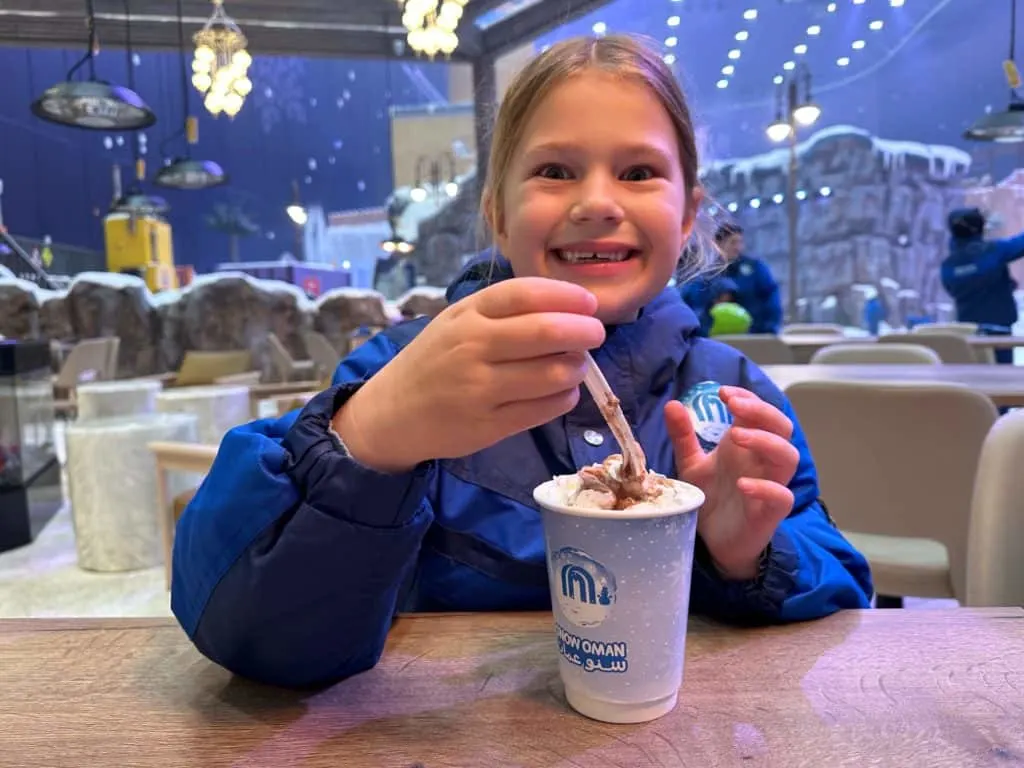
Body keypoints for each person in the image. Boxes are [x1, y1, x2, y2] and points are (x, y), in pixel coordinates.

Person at [171, 35, 872, 688]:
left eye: (638, 171)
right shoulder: (398, 370)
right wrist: (372, 438)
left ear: (688, 214)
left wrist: (743, 554)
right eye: (554, 171)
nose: (597, 202)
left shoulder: (731, 392)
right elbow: (248, 634)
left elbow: (841, 577)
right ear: (499, 215)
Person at [941, 207, 1024, 364]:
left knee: (970, 378)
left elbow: (952, 289)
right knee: (1001, 381)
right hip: (999, 331)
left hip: (967, 332)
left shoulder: (948, 265)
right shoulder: (993, 251)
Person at [682, 223, 782, 335]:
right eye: (733, 242)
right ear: (718, 244)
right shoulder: (704, 272)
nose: (738, 248)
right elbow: (690, 302)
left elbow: (771, 297)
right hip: (711, 337)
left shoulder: (755, 268)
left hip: (753, 336)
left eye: (740, 242)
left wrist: (770, 328)